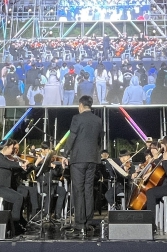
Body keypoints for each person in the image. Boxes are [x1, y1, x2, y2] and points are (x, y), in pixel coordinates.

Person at [63, 95, 103, 236]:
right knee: (88, 189)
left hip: (78, 159)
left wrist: (65, 154)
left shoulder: (77, 118)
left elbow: (72, 137)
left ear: (81, 105)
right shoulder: (98, 120)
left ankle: (80, 223)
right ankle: (88, 222)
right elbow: (99, 139)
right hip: (93, 159)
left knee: (78, 190)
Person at [0, 139, 29, 233]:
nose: (12, 150)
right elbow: (8, 164)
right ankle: (14, 224)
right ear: (6, 147)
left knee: (21, 195)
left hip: (4, 187)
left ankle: (18, 220)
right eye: (12, 148)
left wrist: (23, 167)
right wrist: (20, 163)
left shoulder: (3, 157)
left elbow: (11, 167)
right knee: (18, 198)